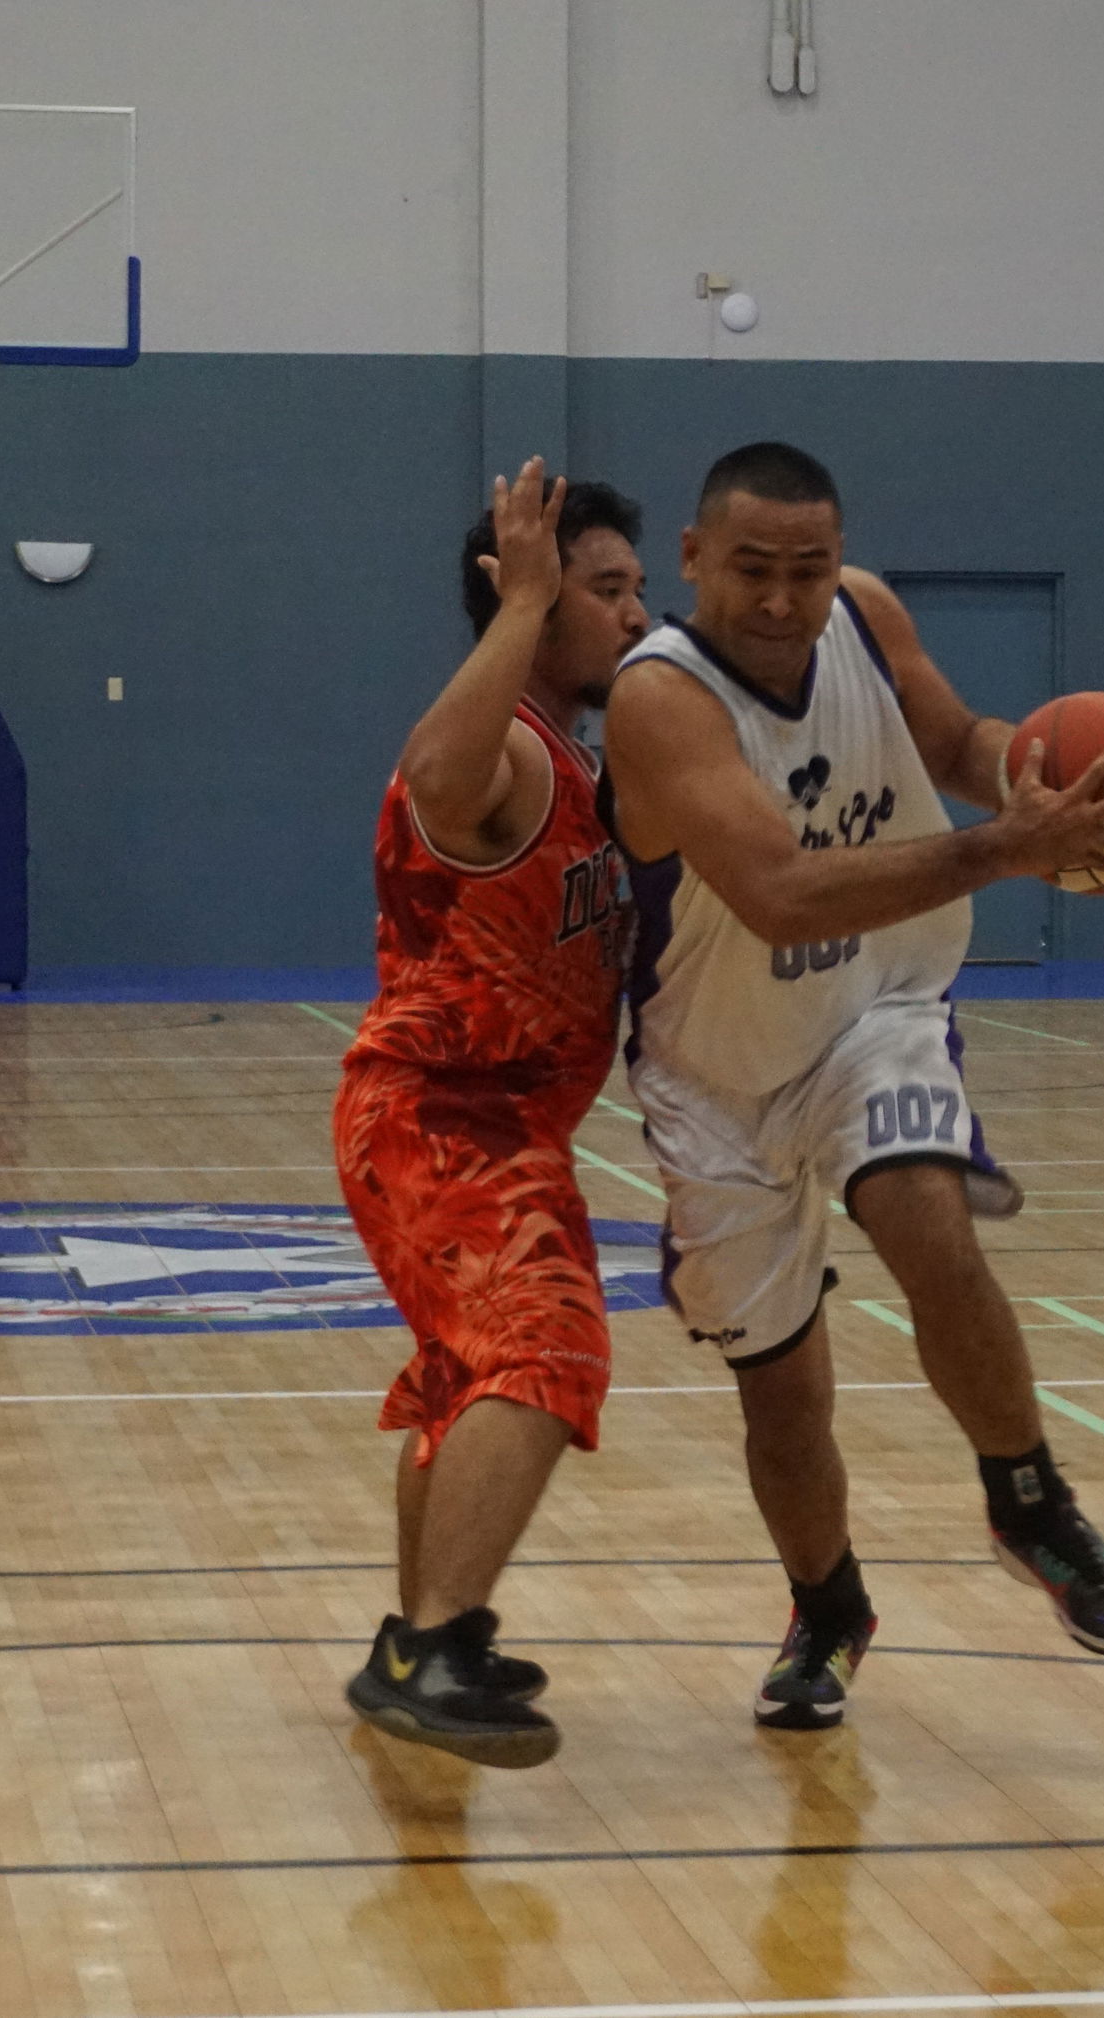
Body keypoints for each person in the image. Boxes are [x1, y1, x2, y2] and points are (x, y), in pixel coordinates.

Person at [601, 440, 1104, 1733]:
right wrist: (1003, 851)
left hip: (876, 1009)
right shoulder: (662, 699)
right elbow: (780, 889)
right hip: (716, 1074)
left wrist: (1060, 782)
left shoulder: (870, 615)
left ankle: (1032, 1502)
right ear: (694, 561)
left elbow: (961, 739)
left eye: (807, 568)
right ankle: (829, 1605)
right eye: (753, 569)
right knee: (783, 1383)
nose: (785, 598)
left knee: (925, 1213)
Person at [335, 457, 648, 1768]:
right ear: (526, 592)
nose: (638, 615)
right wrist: (521, 609)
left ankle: (415, 1635)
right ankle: (439, 1640)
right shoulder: (505, 743)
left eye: (642, 588)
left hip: (509, 1128)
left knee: (471, 1375)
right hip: (440, 1117)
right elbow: (433, 779)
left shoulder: (579, 758)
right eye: (608, 588)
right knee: (549, 1345)